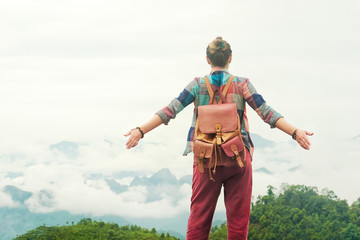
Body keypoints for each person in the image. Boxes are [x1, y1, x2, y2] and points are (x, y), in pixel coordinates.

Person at [124, 36, 313, 240]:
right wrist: (295, 132)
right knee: (238, 227)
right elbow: (266, 112)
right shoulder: (242, 85)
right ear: (230, 58)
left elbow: (171, 110)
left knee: (198, 223)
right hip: (238, 158)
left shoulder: (197, 85)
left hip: (205, 160)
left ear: (207, 59)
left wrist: (140, 131)